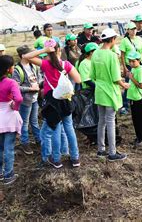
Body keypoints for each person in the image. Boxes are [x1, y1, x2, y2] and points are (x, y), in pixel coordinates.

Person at [24, 39, 82, 169]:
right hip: (66, 100)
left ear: (48, 53)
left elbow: (25, 56)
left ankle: (56, 159)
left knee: (55, 128)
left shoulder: (45, 64)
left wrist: (44, 50)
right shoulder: (66, 64)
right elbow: (78, 79)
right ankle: (75, 158)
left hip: (53, 103)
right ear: (59, 50)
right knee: (69, 128)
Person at [90, 28, 129, 162]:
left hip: (99, 91)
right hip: (110, 92)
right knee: (110, 122)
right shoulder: (112, 56)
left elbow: (92, 76)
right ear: (112, 40)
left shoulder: (95, 54)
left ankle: (101, 150)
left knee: (101, 121)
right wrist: (124, 85)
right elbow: (116, 78)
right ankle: (112, 152)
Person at [12, 46, 42, 155]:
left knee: (34, 121)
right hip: (25, 101)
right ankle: (25, 143)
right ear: (24, 56)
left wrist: (39, 85)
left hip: (34, 99)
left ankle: (39, 140)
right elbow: (15, 87)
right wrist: (30, 89)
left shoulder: (33, 66)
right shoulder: (17, 70)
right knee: (24, 123)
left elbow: (39, 79)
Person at [0, 55, 23, 185]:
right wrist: (15, 106)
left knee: (0, 148)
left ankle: (1, 173)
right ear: (8, 69)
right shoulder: (10, 82)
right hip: (8, 117)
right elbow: (18, 98)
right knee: (9, 148)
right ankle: (9, 174)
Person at [119, 22, 142, 115]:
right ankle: (126, 105)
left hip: (140, 64)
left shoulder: (139, 39)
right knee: (129, 85)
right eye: (132, 29)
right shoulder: (125, 41)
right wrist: (124, 68)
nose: (134, 31)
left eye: (135, 29)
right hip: (129, 66)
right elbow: (122, 55)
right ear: (127, 30)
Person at [126, 51, 142, 147]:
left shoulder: (139, 70)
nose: (131, 63)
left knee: (141, 119)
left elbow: (141, 86)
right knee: (135, 119)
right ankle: (138, 137)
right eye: (130, 61)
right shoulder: (134, 69)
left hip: (138, 98)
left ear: (139, 61)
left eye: (133, 61)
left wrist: (131, 78)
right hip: (133, 97)